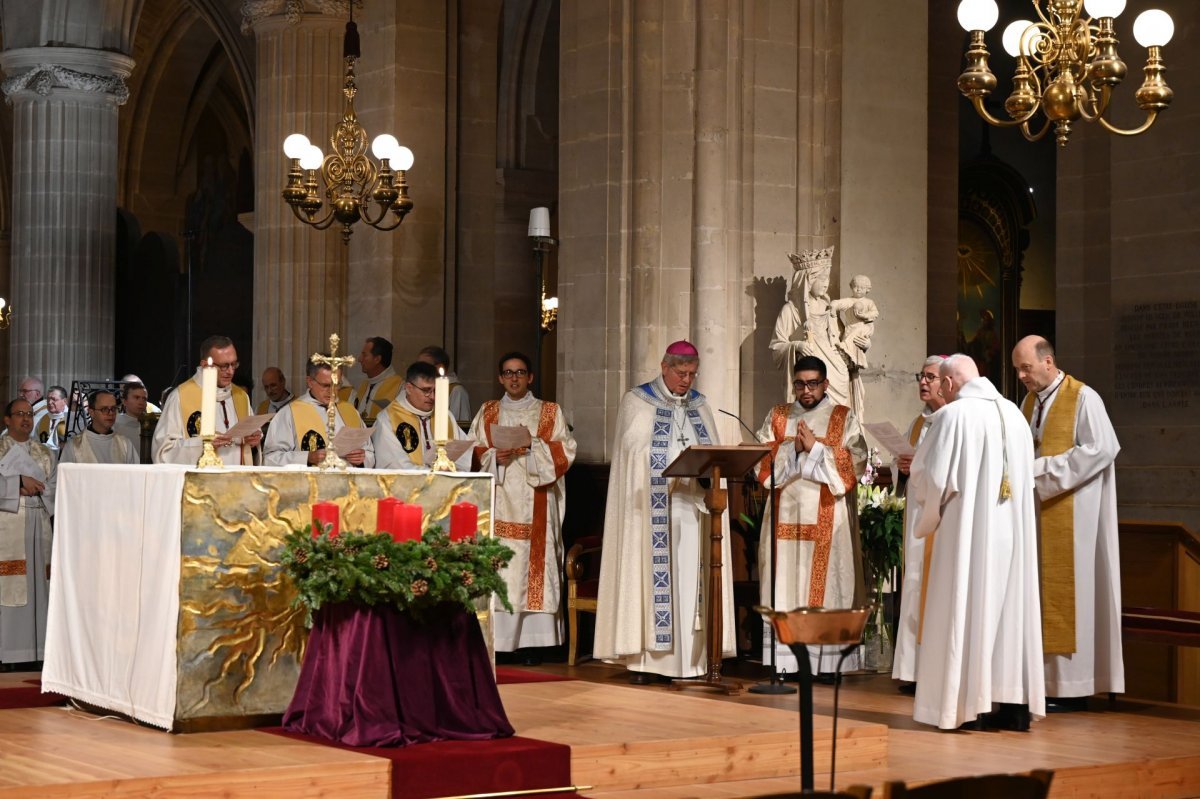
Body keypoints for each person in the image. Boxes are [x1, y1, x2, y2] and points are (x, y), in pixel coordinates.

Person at [908, 354, 1045, 731]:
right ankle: (1012, 706)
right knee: (1008, 613)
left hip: (967, 531)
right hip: (1011, 532)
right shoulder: (1014, 414)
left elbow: (933, 478)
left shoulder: (954, 415)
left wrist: (926, 511)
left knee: (965, 608)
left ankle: (967, 708)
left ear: (949, 384)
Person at [594, 340, 735, 683]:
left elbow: (714, 453)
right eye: (681, 373)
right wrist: (675, 452)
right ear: (664, 367)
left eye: (692, 374)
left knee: (691, 584)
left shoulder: (700, 405)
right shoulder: (637, 401)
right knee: (651, 580)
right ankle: (648, 664)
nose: (687, 380)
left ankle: (693, 662)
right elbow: (633, 451)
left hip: (695, 511)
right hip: (653, 512)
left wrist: (703, 462)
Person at [1012, 335, 1123, 710]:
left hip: (1075, 517)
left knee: (1068, 594)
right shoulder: (1028, 403)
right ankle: (1043, 684)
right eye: (1017, 369)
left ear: (1048, 361)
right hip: (1037, 513)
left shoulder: (1084, 398)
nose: (1022, 375)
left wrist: (1041, 471)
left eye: (1026, 367)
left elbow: (1103, 448)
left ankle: (1073, 687)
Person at [754, 355, 867, 675]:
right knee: (784, 582)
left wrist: (816, 449)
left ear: (825, 384)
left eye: (813, 384)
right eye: (800, 384)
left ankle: (827, 664)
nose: (806, 390)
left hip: (828, 517)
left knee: (828, 585)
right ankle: (784, 662)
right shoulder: (777, 416)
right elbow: (762, 464)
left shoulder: (842, 417)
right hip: (783, 516)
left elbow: (855, 462)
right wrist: (794, 449)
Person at [469, 352, 576, 659]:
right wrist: (492, 457)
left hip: (536, 501)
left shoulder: (549, 412)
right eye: (508, 373)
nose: (514, 378)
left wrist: (532, 446)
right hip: (498, 500)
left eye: (520, 372)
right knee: (502, 568)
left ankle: (534, 643)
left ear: (530, 377)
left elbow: (565, 451)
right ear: (500, 378)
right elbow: (470, 450)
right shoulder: (487, 411)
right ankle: (499, 643)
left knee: (533, 567)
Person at [891, 355, 948, 691]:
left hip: (940, 522)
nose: (923, 383)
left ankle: (932, 671)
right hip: (915, 522)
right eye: (921, 376)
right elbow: (908, 471)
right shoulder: (917, 423)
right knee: (913, 591)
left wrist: (919, 468)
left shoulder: (953, 420)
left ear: (947, 382)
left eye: (930, 377)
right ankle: (912, 671)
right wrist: (901, 467)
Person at [0, 399, 56, 666]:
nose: (25, 418)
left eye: (29, 414)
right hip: (10, 524)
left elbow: (55, 486)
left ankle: (38, 654)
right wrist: (18, 484)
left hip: (40, 522)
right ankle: (8, 653)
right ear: (7, 420)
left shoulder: (45, 452)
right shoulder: (0, 449)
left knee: (39, 587)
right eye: (19, 414)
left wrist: (37, 488)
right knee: (11, 585)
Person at [152, 335, 263, 465]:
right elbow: (163, 452)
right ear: (205, 365)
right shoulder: (180, 396)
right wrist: (203, 444)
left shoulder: (241, 396)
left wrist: (253, 441)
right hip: (202, 482)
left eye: (234, 364)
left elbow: (248, 447)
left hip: (237, 481)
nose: (231, 371)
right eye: (224, 366)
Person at [263, 361, 373, 467]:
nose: (332, 391)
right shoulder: (289, 413)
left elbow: (370, 452)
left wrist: (362, 458)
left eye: (337, 384)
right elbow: (270, 459)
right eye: (326, 385)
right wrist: (307, 457)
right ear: (310, 382)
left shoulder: (350, 411)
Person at [372, 361, 473, 470]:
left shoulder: (445, 416)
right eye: (426, 390)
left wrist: (451, 470)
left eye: (436, 390)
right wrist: (432, 473)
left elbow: (465, 455)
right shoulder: (388, 419)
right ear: (409, 388)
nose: (433, 397)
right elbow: (393, 464)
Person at [58, 390, 139, 465]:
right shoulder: (74, 446)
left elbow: (136, 475)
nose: (110, 413)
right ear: (91, 412)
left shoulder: (125, 444)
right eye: (104, 409)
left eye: (113, 409)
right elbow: (66, 478)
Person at [349, 337, 403, 424]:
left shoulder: (399, 387)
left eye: (364, 355)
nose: (359, 359)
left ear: (377, 359)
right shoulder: (364, 384)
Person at [418, 345, 472, 429]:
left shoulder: (456, 391)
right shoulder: (417, 388)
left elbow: (461, 426)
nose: (418, 370)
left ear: (439, 368)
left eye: (423, 365)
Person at [114, 382, 149, 459]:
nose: (141, 402)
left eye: (144, 399)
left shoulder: (151, 424)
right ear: (124, 401)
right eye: (136, 397)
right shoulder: (114, 423)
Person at [35, 387, 69, 452]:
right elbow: (36, 442)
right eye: (48, 399)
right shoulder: (43, 419)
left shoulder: (70, 419)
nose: (50, 402)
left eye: (54, 399)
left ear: (64, 401)